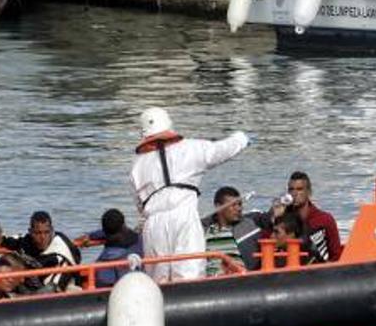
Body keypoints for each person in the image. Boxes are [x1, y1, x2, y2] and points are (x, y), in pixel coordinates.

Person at [131, 107, 248, 282]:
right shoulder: (191, 148)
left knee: (158, 280)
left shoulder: (136, 167)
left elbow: (140, 205)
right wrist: (242, 138)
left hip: (153, 225)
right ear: (169, 125)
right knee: (189, 275)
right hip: (184, 217)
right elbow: (221, 150)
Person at [203, 185, 271, 273]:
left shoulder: (249, 225)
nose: (239, 208)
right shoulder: (205, 230)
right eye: (233, 205)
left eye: (240, 204)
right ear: (218, 206)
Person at [8, 210, 82, 290]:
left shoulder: (60, 250)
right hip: (37, 281)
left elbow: (52, 286)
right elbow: (5, 240)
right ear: (31, 232)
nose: (43, 237)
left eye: (46, 232)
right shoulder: (26, 240)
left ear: (52, 230)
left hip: (62, 285)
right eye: (38, 233)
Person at [280, 170, 343, 263]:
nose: (294, 194)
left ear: (309, 192)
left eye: (299, 189)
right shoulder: (281, 219)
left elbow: (336, 256)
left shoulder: (325, 220)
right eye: (291, 189)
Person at [90, 208, 143, 288]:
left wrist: (90, 236)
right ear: (124, 225)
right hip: (137, 283)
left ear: (104, 231)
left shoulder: (102, 264)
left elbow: (103, 282)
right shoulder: (137, 240)